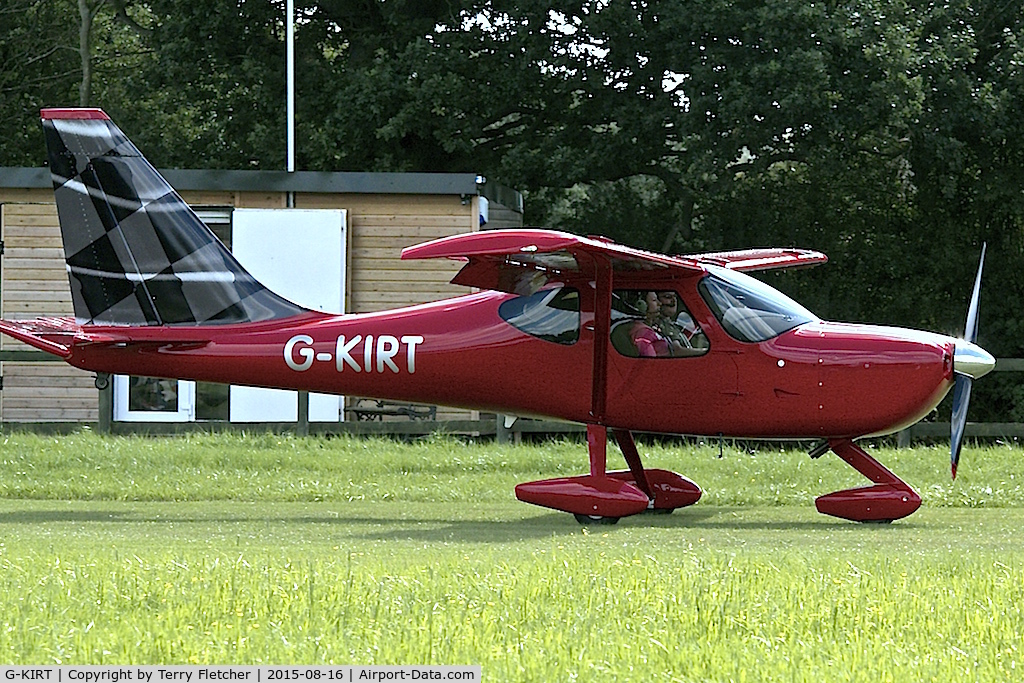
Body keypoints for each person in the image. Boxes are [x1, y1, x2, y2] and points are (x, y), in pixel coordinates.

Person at [655, 290, 708, 354]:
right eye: (668, 297)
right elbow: (677, 350)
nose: (674, 301)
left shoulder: (673, 325)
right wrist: (705, 352)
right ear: (657, 301)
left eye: (675, 297)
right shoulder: (660, 325)